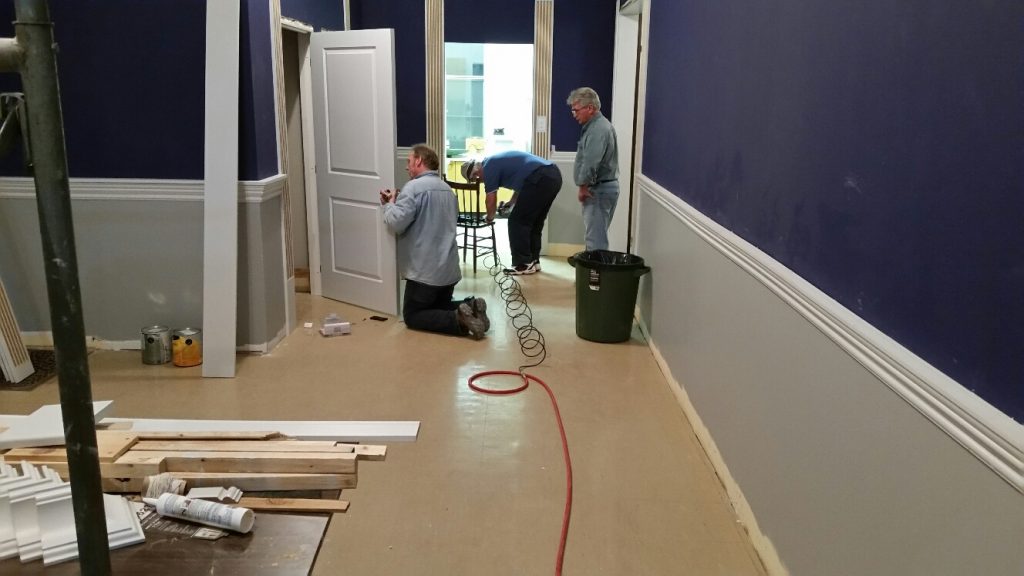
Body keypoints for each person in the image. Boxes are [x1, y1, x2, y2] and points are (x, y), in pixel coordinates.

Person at [380, 144, 489, 339]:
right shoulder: (447, 190)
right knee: (439, 306)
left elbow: (397, 222)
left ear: (419, 161)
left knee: (413, 315)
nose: (406, 167)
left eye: (409, 161)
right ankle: (471, 307)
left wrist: (389, 205)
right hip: (448, 271)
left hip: (424, 273)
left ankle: (458, 320)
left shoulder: (412, 188)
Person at [460, 151, 562, 275]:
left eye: (475, 180)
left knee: (516, 222)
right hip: (553, 175)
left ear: (476, 174)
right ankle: (533, 261)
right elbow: (523, 183)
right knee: (534, 222)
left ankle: (523, 264)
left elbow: (491, 200)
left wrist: (489, 218)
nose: (479, 181)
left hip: (539, 178)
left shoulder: (488, 169)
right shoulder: (494, 161)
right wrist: (512, 201)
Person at [567, 87, 619, 251]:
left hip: (598, 190)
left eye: (576, 110)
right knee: (597, 236)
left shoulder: (597, 130)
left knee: (595, 242)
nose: (573, 114)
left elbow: (590, 162)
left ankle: (595, 276)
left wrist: (583, 186)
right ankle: (595, 275)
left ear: (590, 108)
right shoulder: (597, 126)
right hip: (603, 188)